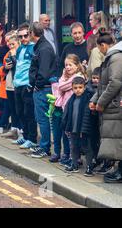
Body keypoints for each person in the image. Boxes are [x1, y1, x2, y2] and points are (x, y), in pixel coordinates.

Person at [90, 33, 122, 183]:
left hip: (115, 105)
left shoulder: (115, 58)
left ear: (103, 45)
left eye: (98, 48)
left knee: (118, 139)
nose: (99, 51)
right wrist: (95, 100)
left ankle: (120, 172)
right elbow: (103, 85)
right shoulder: (112, 58)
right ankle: (119, 170)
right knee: (116, 139)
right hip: (113, 105)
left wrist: (101, 102)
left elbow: (115, 83)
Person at [50, 54, 86, 164]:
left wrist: (62, 82)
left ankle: (74, 158)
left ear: (77, 65)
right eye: (66, 65)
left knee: (73, 135)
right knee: (66, 134)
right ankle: (67, 155)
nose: (68, 67)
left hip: (74, 109)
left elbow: (60, 87)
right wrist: (63, 80)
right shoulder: (66, 76)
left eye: (70, 65)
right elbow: (60, 86)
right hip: (64, 108)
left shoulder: (78, 77)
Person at [29, 22, 58, 158]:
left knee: (43, 119)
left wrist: (37, 85)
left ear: (32, 33)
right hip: (41, 88)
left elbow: (44, 71)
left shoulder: (44, 48)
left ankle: (45, 147)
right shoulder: (42, 46)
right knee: (41, 119)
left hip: (43, 89)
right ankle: (43, 145)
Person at [63, 76, 99, 175]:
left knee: (87, 148)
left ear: (84, 87)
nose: (78, 90)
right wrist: (67, 127)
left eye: (80, 87)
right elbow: (67, 114)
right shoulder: (71, 99)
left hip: (84, 129)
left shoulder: (88, 98)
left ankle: (89, 167)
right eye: (75, 88)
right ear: (72, 88)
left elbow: (88, 117)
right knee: (74, 147)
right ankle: (74, 165)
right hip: (73, 128)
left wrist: (84, 130)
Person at [0, 32, 20, 135]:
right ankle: (10, 127)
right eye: (8, 44)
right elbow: (4, 68)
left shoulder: (16, 52)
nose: (9, 46)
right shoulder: (9, 53)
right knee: (9, 106)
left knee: (12, 107)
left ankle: (5, 125)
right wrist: (4, 69)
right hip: (7, 83)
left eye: (12, 43)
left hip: (14, 83)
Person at [12, 23, 37, 148]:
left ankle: (32, 138)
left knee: (29, 113)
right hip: (18, 84)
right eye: (20, 37)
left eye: (25, 36)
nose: (23, 39)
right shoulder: (19, 49)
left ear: (30, 34)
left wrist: (31, 83)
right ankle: (25, 136)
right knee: (20, 112)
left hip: (27, 84)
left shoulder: (34, 48)